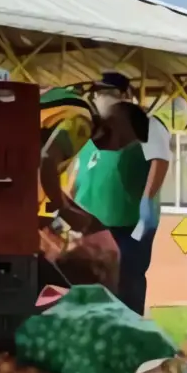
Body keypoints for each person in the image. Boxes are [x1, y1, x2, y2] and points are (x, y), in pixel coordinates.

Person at [38, 90, 148, 299]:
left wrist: (73, 213)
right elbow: (47, 162)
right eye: (122, 140)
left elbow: (43, 175)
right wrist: (64, 209)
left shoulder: (75, 112)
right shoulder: (83, 121)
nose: (114, 148)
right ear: (117, 120)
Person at [93, 73, 175, 314]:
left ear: (127, 96)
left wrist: (147, 200)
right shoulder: (95, 128)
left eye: (109, 94)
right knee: (98, 284)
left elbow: (159, 159)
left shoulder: (146, 123)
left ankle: (131, 335)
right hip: (96, 222)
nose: (103, 99)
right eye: (99, 93)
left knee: (127, 281)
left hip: (130, 224)